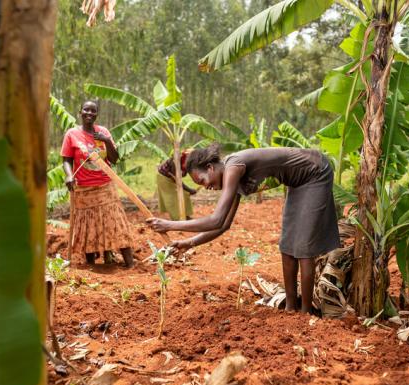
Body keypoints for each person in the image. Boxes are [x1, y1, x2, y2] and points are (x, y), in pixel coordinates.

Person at [146, 144, 340, 313]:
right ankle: (291, 308)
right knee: (287, 246)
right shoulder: (232, 177)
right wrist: (189, 243)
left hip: (315, 172)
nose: (207, 188)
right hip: (297, 182)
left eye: (203, 181)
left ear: (210, 167)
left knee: (303, 248)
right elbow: (223, 225)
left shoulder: (234, 167)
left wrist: (170, 225)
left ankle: (305, 313)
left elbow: (216, 219)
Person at [62, 100, 134, 267]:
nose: (89, 113)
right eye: (86, 110)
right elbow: (66, 160)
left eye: (93, 111)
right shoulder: (72, 134)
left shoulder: (103, 132)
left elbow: (114, 159)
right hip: (83, 188)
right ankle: (92, 267)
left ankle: (130, 264)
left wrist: (107, 140)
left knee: (117, 223)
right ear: (80, 112)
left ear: (97, 114)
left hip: (105, 186)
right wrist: (68, 175)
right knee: (89, 227)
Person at [156, 152, 197, 220]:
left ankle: (185, 216)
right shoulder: (175, 162)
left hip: (170, 177)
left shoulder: (184, 161)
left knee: (185, 194)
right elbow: (178, 180)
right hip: (163, 178)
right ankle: (177, 218)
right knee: (172, 198)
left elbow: (183, 174)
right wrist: (190, 190)